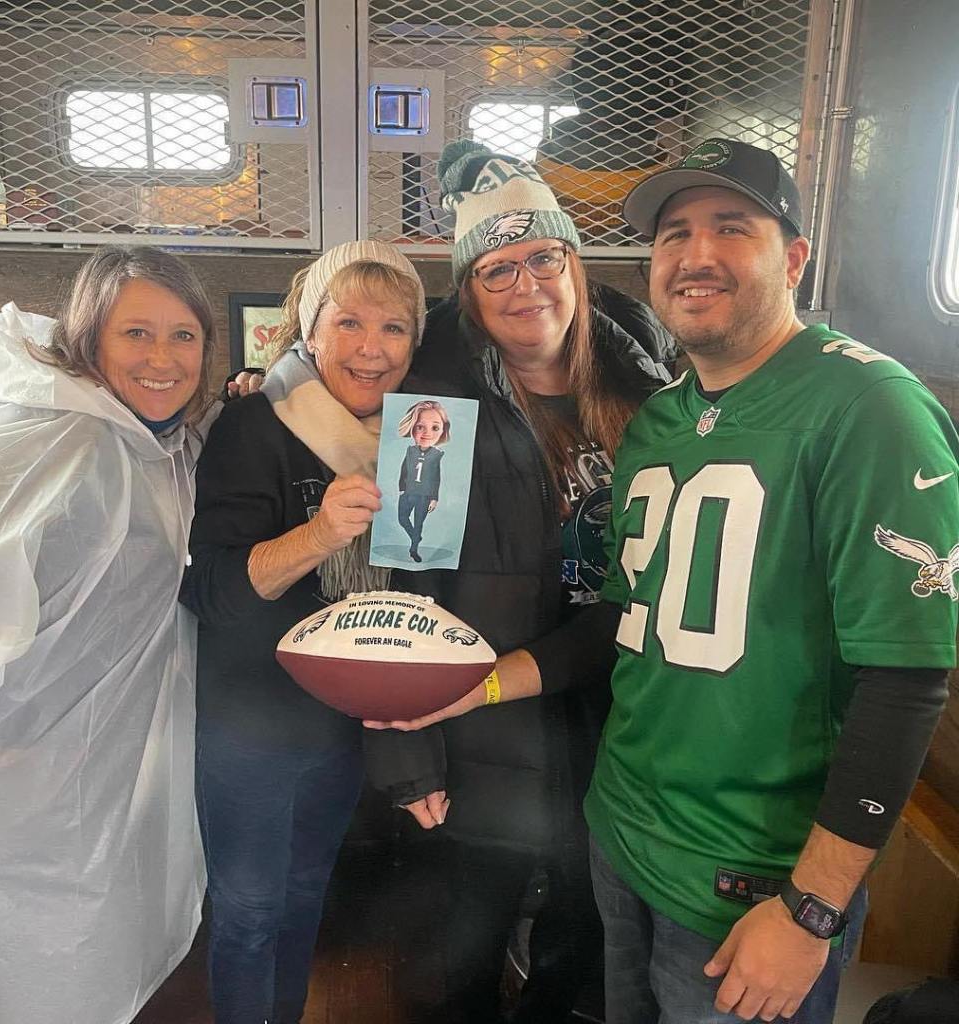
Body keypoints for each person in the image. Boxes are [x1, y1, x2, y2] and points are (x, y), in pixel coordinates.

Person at [383, 138, 959, 1024]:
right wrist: (453, 700)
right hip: (617, 830)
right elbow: (622, 617)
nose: (696, 254)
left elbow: (908, 677)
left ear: (795, 256)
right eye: (673, 234)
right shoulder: (662, 420)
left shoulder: (867, 408)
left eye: (732, 227)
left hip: (747, 877)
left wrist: (813, 908)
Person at [365, 139, 674, 1024]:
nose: (525, 284)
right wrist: (403, 749)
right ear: (469, 291)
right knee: (468, 931)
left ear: (573, 264)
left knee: (588, 930)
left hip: (620, 711)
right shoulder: (436, 401)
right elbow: (400, 584)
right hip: (484, 713)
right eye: (497, 268)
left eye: (543, 256)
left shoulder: (647, 384)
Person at [0, 246, 217, 1024]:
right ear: (90, 338)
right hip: (25, 787)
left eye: (183, 335)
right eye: (137, 334)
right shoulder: (55, 439)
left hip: (105, 771)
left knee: (94, 963)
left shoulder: (155, 443)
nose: (162, 359)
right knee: (36, 977)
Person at [178, 240, 426, 1024]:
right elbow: (211, 589)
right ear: (309, 331)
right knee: (249, 912)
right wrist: (321, 534)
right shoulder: (253, 422)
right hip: (248, 721)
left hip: (342, 720)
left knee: (304, 898)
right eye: (348, 321)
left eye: (395, 327)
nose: (371, 347)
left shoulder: (424, 438)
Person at [397, 399, 450, 562]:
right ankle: (416, 537)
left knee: (418, 522)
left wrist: (434, 498)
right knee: (402, 519)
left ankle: (414, 549)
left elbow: (436, 478)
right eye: (420, 426)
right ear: (412, 429)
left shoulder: (436, 455)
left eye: (435, 428)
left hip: (424, 496)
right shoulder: (410, 450)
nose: (427, 433)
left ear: (442, 431)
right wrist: (401, 487)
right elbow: (404, 468)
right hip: (409, 492)